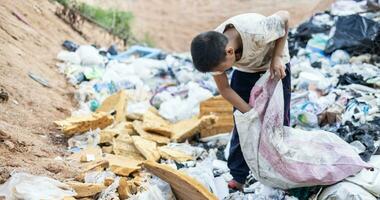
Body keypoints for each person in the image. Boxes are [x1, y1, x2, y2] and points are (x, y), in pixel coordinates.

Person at [190, 11, 292, 190]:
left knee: (278, 122)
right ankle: (238, 177)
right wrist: (250, 113)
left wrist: (276, 57)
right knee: (243, 124)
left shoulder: (258, 32)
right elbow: (225, 88)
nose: (222, 72)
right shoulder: (212, 53)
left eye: (223, 69)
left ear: (230, 51)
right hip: (246, 72)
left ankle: (283, 171)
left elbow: (284, 17)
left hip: (274, 67)